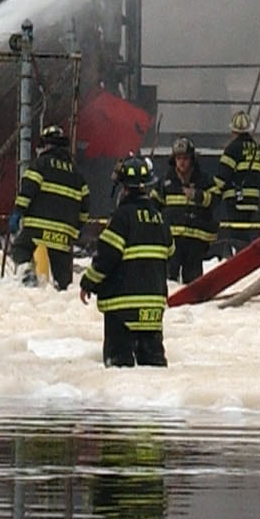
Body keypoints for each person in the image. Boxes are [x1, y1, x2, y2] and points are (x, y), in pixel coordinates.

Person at [82, 155, 172, 366]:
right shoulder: (159, 219)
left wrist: (88, 283)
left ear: (123, 188)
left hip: (121, 308)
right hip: (153, 307)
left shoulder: (122, 218)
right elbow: (170, 250)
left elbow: (106, 257)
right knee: (153, 370)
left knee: (120, 370)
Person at [13, 123, 84, 290]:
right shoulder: (76, 173)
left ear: (45, 145)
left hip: (37, 227)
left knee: (20, 249)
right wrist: (76, 227)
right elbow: (85, 205)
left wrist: (18, 213)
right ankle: (63, 290)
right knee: (63, 279)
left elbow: (27, 191)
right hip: (64, 233)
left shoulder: (40, 165)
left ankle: (28, 274)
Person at [211, 112, 260, 253]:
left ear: (233, 131)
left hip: (235, 200)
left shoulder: (232, 149)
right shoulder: (258, 149)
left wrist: (211, 193)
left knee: (237, 234)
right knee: (246, 231)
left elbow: (222, 178)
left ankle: (242, 260)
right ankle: (246, 255)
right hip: (253, 200)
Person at [161, 139, 217, 283]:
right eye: (178, 158)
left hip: (195, 242)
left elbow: (216, 199)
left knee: (194, 282)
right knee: (169, 280)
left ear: (192, 159)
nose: (182, 162)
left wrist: (198, 195)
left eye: (185, 158)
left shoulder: (204, 180)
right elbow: (154, 205)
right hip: (172, 241)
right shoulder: (166, 181)